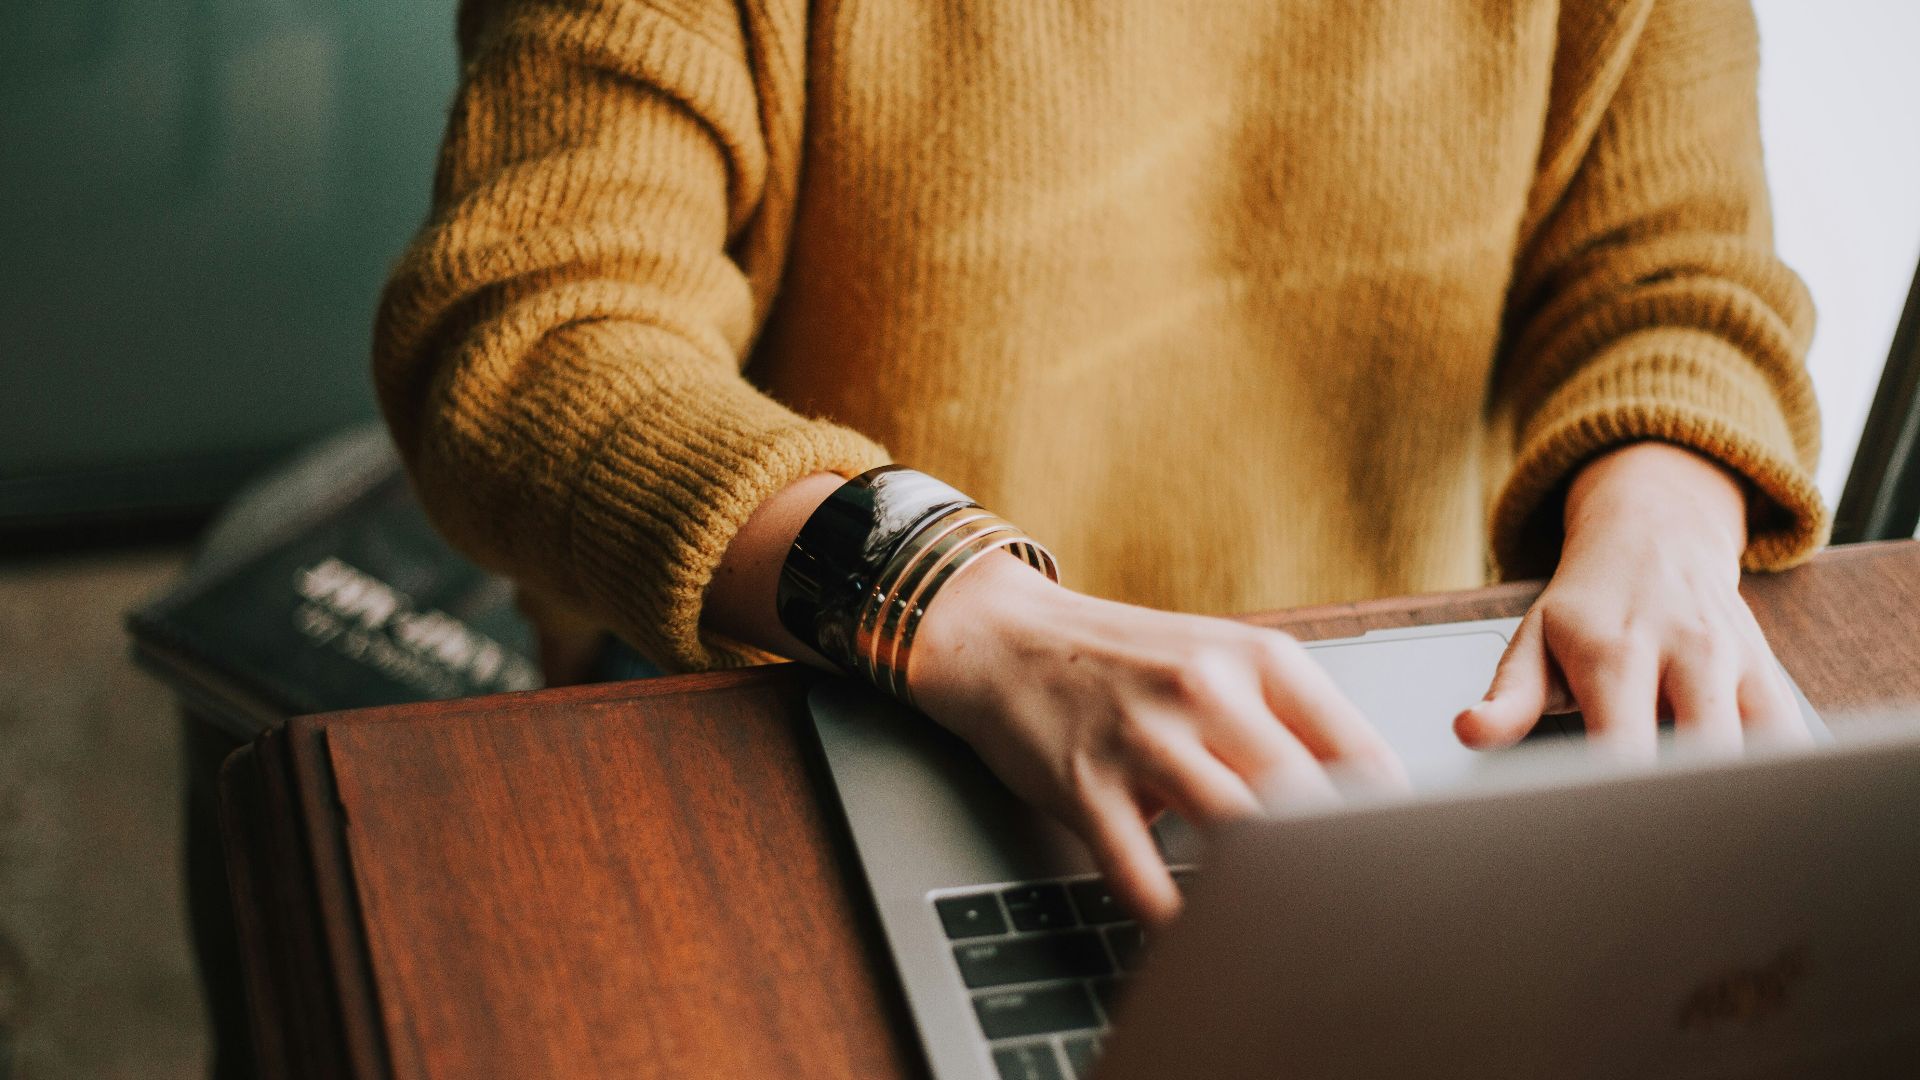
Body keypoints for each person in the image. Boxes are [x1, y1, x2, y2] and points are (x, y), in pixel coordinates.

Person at [374, 0, 1824, 926]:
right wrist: (966, 607)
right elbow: (532, 333)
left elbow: (1677, 275)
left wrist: (1664, 521)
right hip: (832, 695)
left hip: (1374, 743)